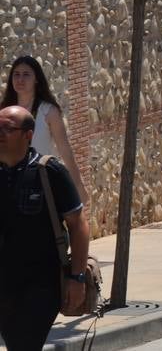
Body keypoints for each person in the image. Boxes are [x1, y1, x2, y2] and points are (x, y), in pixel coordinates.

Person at [0, 105, 91, 351]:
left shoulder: (48, 171)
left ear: (28, 135)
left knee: (23, 344)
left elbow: (78, 223)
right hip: (3, 282)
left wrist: (77, 277)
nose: (0, 133)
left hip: (40, 285)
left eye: (6, 128)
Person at [2, 56, 88, 204]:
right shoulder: (4, 112)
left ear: (36, 79)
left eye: (26, 74)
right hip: (9, 181)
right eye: (16, 74)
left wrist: (78, 185)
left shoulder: (48, 111)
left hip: (41, 182)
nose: (20, 79)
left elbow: (64, 149)